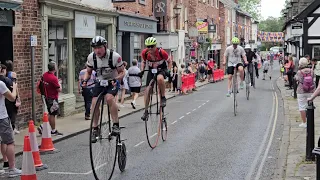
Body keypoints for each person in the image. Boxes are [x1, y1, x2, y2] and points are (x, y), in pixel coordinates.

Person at [82, 36, 125, 142]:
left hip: (112, 81)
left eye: (99, 47)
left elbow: (122, 72)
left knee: (109, 98)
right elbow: (88, 71)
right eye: (95, 48)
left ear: (105, 46)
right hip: (100, 81)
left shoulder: (115, 57)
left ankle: (115, 124)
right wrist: (85, 80)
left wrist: (117, 79)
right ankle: (95, 129)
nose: (97, 50)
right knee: (94, 103)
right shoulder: (91, 57)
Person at [140, 37, 171, 120]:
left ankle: (163, 97)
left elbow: (169, 61)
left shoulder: (162, 52)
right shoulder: (145, 53)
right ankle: (146, 111)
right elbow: (143, 62)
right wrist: (142, 71)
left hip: (161, 69)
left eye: (152, 46)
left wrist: (169, 71)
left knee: (160, 79)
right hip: (151, 70)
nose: (150, 48)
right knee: (147, 90)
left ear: (155, 45)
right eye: (148, 46)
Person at [0, 65, 21, 177]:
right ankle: (12, 168)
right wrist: (14, 87)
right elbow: (12, 98)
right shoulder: (1, 84)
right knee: (9, 142)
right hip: (1, 117)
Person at [38, 61, 63, 136]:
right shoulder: (53, 78)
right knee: (52, 114)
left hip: (46, 96)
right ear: (55, 68)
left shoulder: (45, 75)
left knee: (51, 112)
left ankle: (43, 126)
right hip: (52, 98)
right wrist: (59, 83)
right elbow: (59, 89)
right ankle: (52, 130)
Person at [295, 58, 315, 128]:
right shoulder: (311, 71)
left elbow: (297, 79)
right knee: (309, 106)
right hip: (310, 91)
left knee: (302, 107)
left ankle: (304, 123)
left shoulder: (299, 72)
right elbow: (313, 79)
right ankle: (310, 121)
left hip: (301, 91)